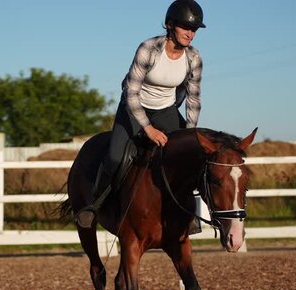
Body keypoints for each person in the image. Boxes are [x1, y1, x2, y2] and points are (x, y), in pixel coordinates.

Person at [76, 0, 206, 229]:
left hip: (166, 110)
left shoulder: (194, 58)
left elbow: (193, 99)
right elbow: (131, 93)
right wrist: (148, 129)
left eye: (194, 29)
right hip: (134, 107)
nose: (191, 34)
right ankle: (95, 206)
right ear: (170, 25)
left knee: (190, 156)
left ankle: (188, 213)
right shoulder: (148, 49)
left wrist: (188, 135)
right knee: (115, 157)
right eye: (186, 28)